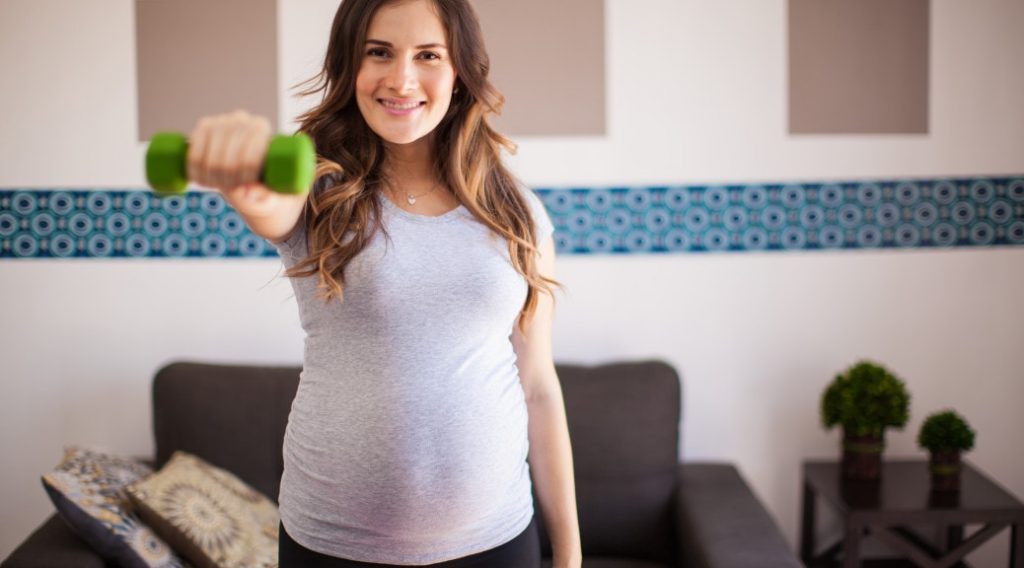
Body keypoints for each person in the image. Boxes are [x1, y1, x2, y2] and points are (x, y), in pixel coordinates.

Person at [183, 0, 581, 566]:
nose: (401, 79)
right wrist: (244, 183)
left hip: (497, 540)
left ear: (460, 70)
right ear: (351, 64)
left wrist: (569, 551)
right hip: (332, 545)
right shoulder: (318, 187)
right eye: (379, 52)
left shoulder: (517, 211)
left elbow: (537, 386)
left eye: (428, 55)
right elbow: (269, 207)